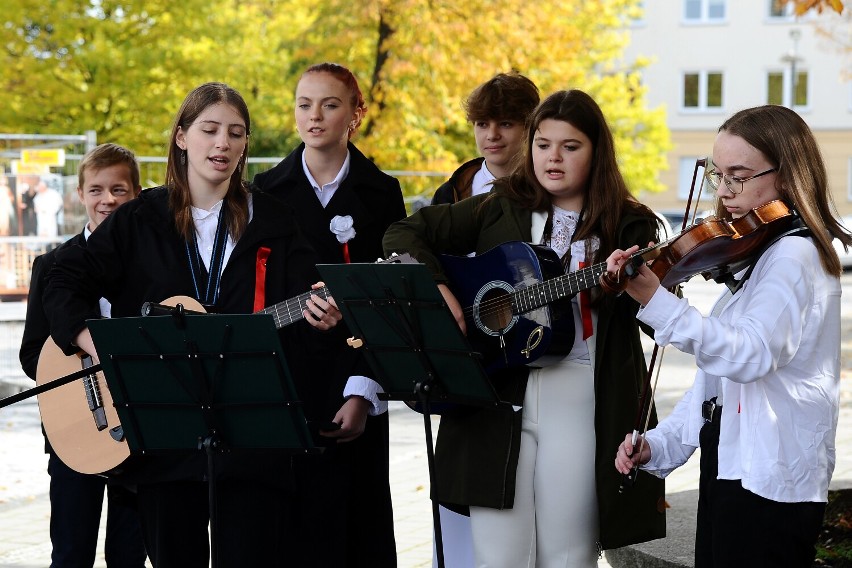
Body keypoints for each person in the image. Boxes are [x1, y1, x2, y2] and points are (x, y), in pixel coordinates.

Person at [42, 82, 341, 568]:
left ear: (245, 145)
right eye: (210, 130)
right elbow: (61, 280)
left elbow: (306, 318)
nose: (222, 144)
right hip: (162, 444)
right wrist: (91, 340)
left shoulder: (276, 222)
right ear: (182, 137)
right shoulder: (139, 219)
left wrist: (322, 321)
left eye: (235, 133)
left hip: (252, 446)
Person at [383, 89, 666, 567]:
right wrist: (441, 290)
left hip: (580, 398)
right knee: (499, 557)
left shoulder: (630, 224)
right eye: (542, 143)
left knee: (569, 555)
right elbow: (404, 232)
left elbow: (660, 316)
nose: (552, 157)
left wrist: (643, 287)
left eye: (570, 146)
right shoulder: (500, 205)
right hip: (495, 399)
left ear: (597, 152)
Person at [609, 104, 850, 568]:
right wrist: (658, 445)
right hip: (733, 470)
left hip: (772, 484)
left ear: (787, 173)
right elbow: (713, 391)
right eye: (718, 175)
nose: (724, 192)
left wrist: (656, 301)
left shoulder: (794, 256)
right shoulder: (759, 258)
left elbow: (751, 355)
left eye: (739, 176)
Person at [253, 61, 404, 567]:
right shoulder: (263, 192)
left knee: (357, 531)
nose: (313, 116)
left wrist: (364, 388)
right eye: (304, 104)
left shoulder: (382, 192)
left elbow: (393, 300)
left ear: (356, 114)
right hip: (287, 387)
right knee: (290, 536)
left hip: (355, 385)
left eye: (329, 104)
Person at [19, 143, 147, 568]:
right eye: (96, 190)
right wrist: (87, 376)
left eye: (119, 190)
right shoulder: (52, 264)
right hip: (74, 428)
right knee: (71, 551)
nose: (106, 199)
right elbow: (32, 352)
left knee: (129, 553)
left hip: (137, 432)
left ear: (137, 193)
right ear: (80, 195)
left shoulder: (151, 267)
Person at [432, 72, 539, 205]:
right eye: (482, 124)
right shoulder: (448, 195)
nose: (492, 135)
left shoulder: (551, 190)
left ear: (529, 127)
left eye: (505, 124)